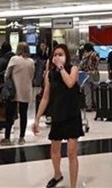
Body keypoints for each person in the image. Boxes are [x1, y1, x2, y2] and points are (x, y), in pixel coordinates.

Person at [34, 44, 83, 188]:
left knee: (71, 151)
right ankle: (57, 174)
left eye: (60, 54)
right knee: (54, 150)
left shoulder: (73, 69)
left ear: (66, 56)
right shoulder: (50, 74)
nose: (57, 57)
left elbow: (69, 83)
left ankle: (73, 185)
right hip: (57, 114)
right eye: (55, 54)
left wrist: (61, 68)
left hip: (72, 114)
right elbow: (45, 97)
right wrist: (37, 118)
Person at [0, 42, 35, 146]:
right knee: (24, 115)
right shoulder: (31, 62)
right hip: (26, 91)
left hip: (13, 91)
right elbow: (32, 76)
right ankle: (22, 137)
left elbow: (7, 74)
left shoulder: (14, 59)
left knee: (10, 115)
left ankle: (7, 138)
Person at [79, 43, 99, 112]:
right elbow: (97, 63)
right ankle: (97, 105)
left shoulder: (84, 55)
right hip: (94, 73)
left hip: (86, 74)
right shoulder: (96, 54)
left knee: (87, 91)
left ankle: (89, 106)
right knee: (95, 90)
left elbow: (81, 65)